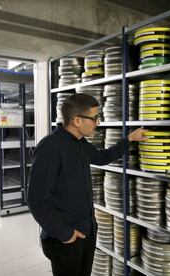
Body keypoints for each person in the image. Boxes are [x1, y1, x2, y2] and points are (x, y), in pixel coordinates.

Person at [27, 93, 147, 276]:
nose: (97, 123)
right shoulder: (50, 148)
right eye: (94, 118)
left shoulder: (80, 144)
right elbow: (36, 200)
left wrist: (129, 140)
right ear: (76, 120)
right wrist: (65, 234)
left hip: (86, 231)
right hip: (64, 238)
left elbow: (102, 157)